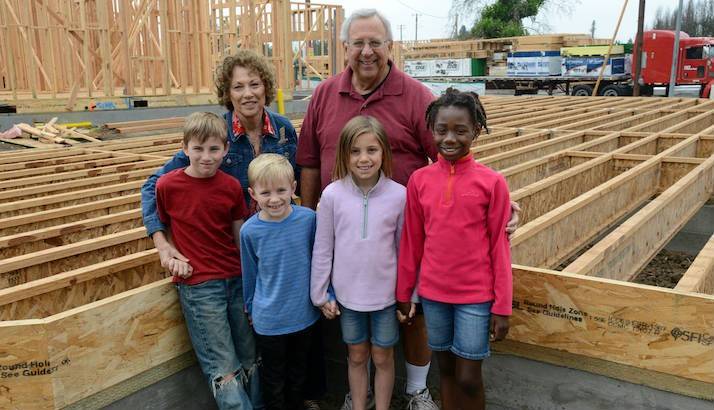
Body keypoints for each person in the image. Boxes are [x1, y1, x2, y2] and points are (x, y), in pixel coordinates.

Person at [297, 8, 518, 409]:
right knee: (355, 317)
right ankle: (358, 391)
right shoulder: (324, 95)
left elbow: (452, 156)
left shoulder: (416, 96)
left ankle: (415, 388)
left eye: (375, 43)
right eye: (358, 43)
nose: (367, 51)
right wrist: (311, 220)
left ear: (389, 47)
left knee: (413, 311)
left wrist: (503, 205)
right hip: (346, 227)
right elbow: (310, 161)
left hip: (407, 228)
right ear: (345, 48)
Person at [396, 89, 512, 410]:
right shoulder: (419, 181)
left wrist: (502, 307)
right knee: (445, 371)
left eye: (460, 130)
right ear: (431, 130)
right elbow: (412, 242)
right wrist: (405, 292)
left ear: (475, 130)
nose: (450, 138)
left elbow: (499, 248)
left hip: (475, 297)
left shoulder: (491, 183)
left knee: (468, 378)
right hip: (434, 296)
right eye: (441, 130)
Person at [155, 112, 259, 409]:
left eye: (214, 149)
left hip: (235, 280)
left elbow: (239, 236)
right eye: (198, 149)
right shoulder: (167, 186)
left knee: (250, 356)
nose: (205, 156)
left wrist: (250, 281)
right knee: (223, 365)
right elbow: (167, 226)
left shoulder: (229, 187)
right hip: (200, 286)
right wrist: (171, 254)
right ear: (185, 148)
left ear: (226, 150)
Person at [311, 116, 404, 410]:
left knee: (382, 356)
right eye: (355, 151)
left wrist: (408, 295)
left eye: (372, 150)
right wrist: (320, 293)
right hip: (348, 298)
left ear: (384, 153)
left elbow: (405, 251)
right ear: (344, 155)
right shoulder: (332, 195)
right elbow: (323, 248)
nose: (364, 158)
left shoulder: (399, 196)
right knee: (357, 354)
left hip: (386, 298)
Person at [240, 154, 320, 410]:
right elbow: (250, 273)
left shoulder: (308, 220)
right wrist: (251, 307)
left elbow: (319, 261)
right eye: (265, 193)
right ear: (253, 193)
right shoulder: (249, 232)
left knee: (298, 374)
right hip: (269, 320)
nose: (274, 199)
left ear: (294, 188)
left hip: (303, 315)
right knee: (274, 378)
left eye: (281, 190)